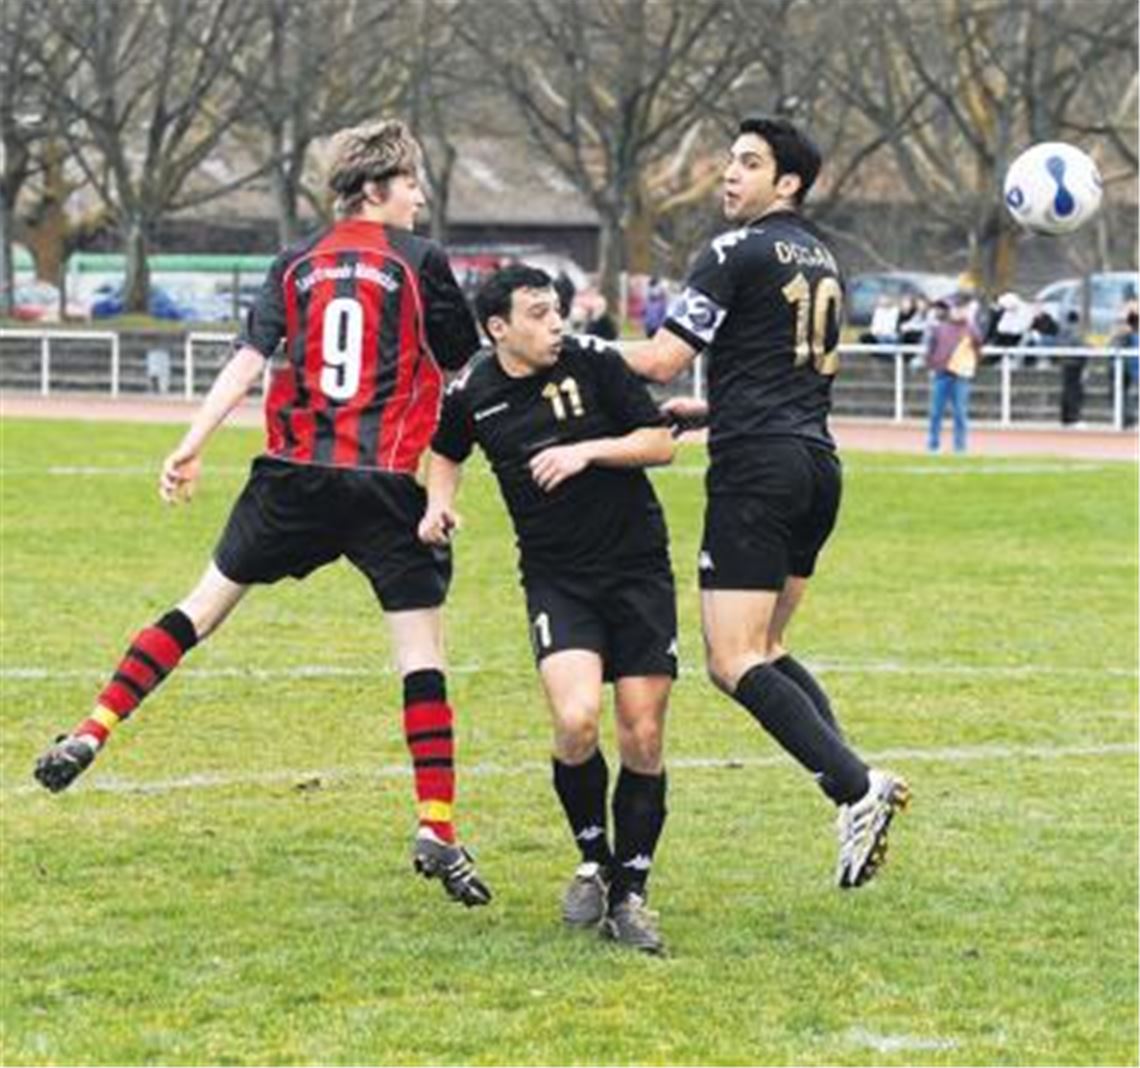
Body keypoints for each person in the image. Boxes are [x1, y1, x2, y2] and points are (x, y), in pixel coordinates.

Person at [32, 119, 491, 908]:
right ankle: (436, 826)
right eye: (413, 184)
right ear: (376, 189)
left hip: (292, 477)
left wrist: (190, 443)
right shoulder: (421, 263)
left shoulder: (294, 262)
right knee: (421, 657)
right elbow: (458, 367)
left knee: (200, 607)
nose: (420, 198)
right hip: (383, 483)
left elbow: (249, 362)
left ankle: (91, 731)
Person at [622, 115, 909, 891]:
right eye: (730, 161)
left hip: (756, 472)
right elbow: (784, 376)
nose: (729, 174)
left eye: (749, 163)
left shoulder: (732, 250)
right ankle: (854, 785)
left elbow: (660, 359)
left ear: (788, 184)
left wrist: (555, 350)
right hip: (815, 466)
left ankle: (857, 787)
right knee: (769, 649)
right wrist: (709, 411)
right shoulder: (823, 258)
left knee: (731, 659)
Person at [419, 264, 677, 952]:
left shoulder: (594, 361)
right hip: (558, 579)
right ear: (499, 328)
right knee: (575, 719)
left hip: (638, 571)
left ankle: (632, 894)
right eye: (537, 313)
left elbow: (659, 443)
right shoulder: (474, 388)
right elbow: (444, 453)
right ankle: (594, 857)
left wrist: (585, 452)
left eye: (556, 309)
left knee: (643, 736)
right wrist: (439, 503)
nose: (555, 322)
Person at [925, 292, 982, 453]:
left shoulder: (971, 329)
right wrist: (932, 365)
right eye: (955, 308)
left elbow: (978, 347)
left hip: (961, 375)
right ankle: (933, 445)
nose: (957, 312)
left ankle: (960, 446)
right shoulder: (939, 328)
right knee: (936, 412)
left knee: (960, 413)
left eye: (961, 308)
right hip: (941, 373)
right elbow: (931, 349)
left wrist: (971, 366)